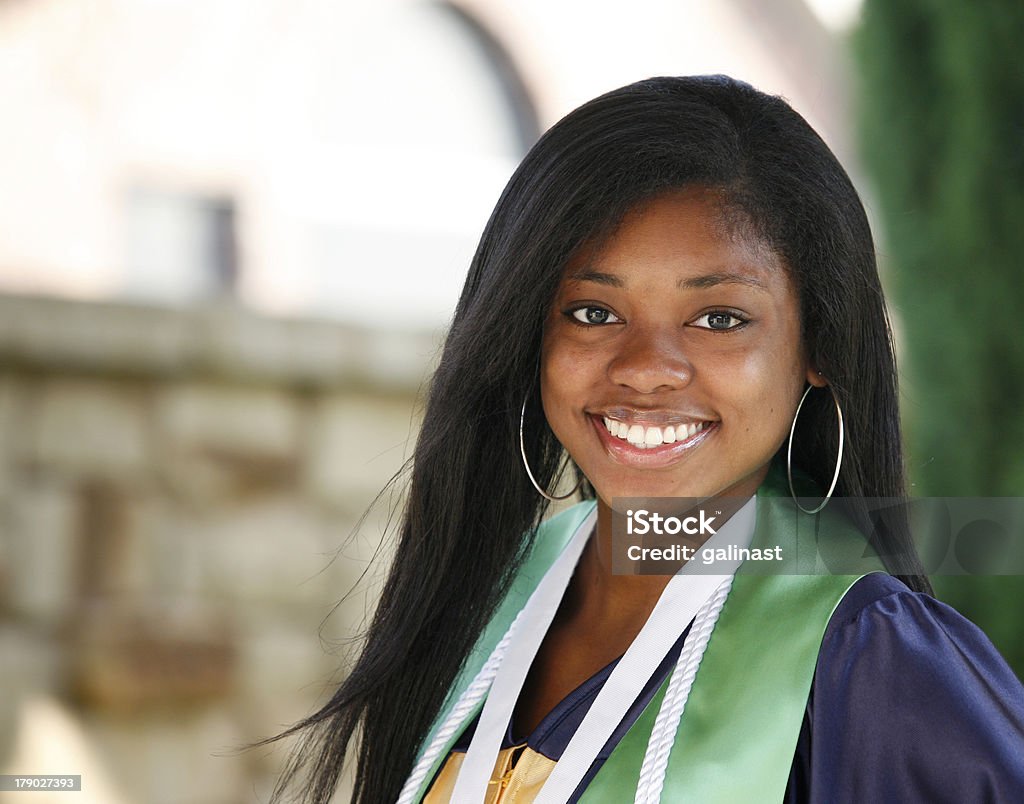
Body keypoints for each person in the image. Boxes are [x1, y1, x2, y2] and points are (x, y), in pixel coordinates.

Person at [269, 76, 1024, 803]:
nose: (646, 371)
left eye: (720, 318)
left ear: (818, 346)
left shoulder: (868, 656)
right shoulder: (490, 596)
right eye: (593, 313)